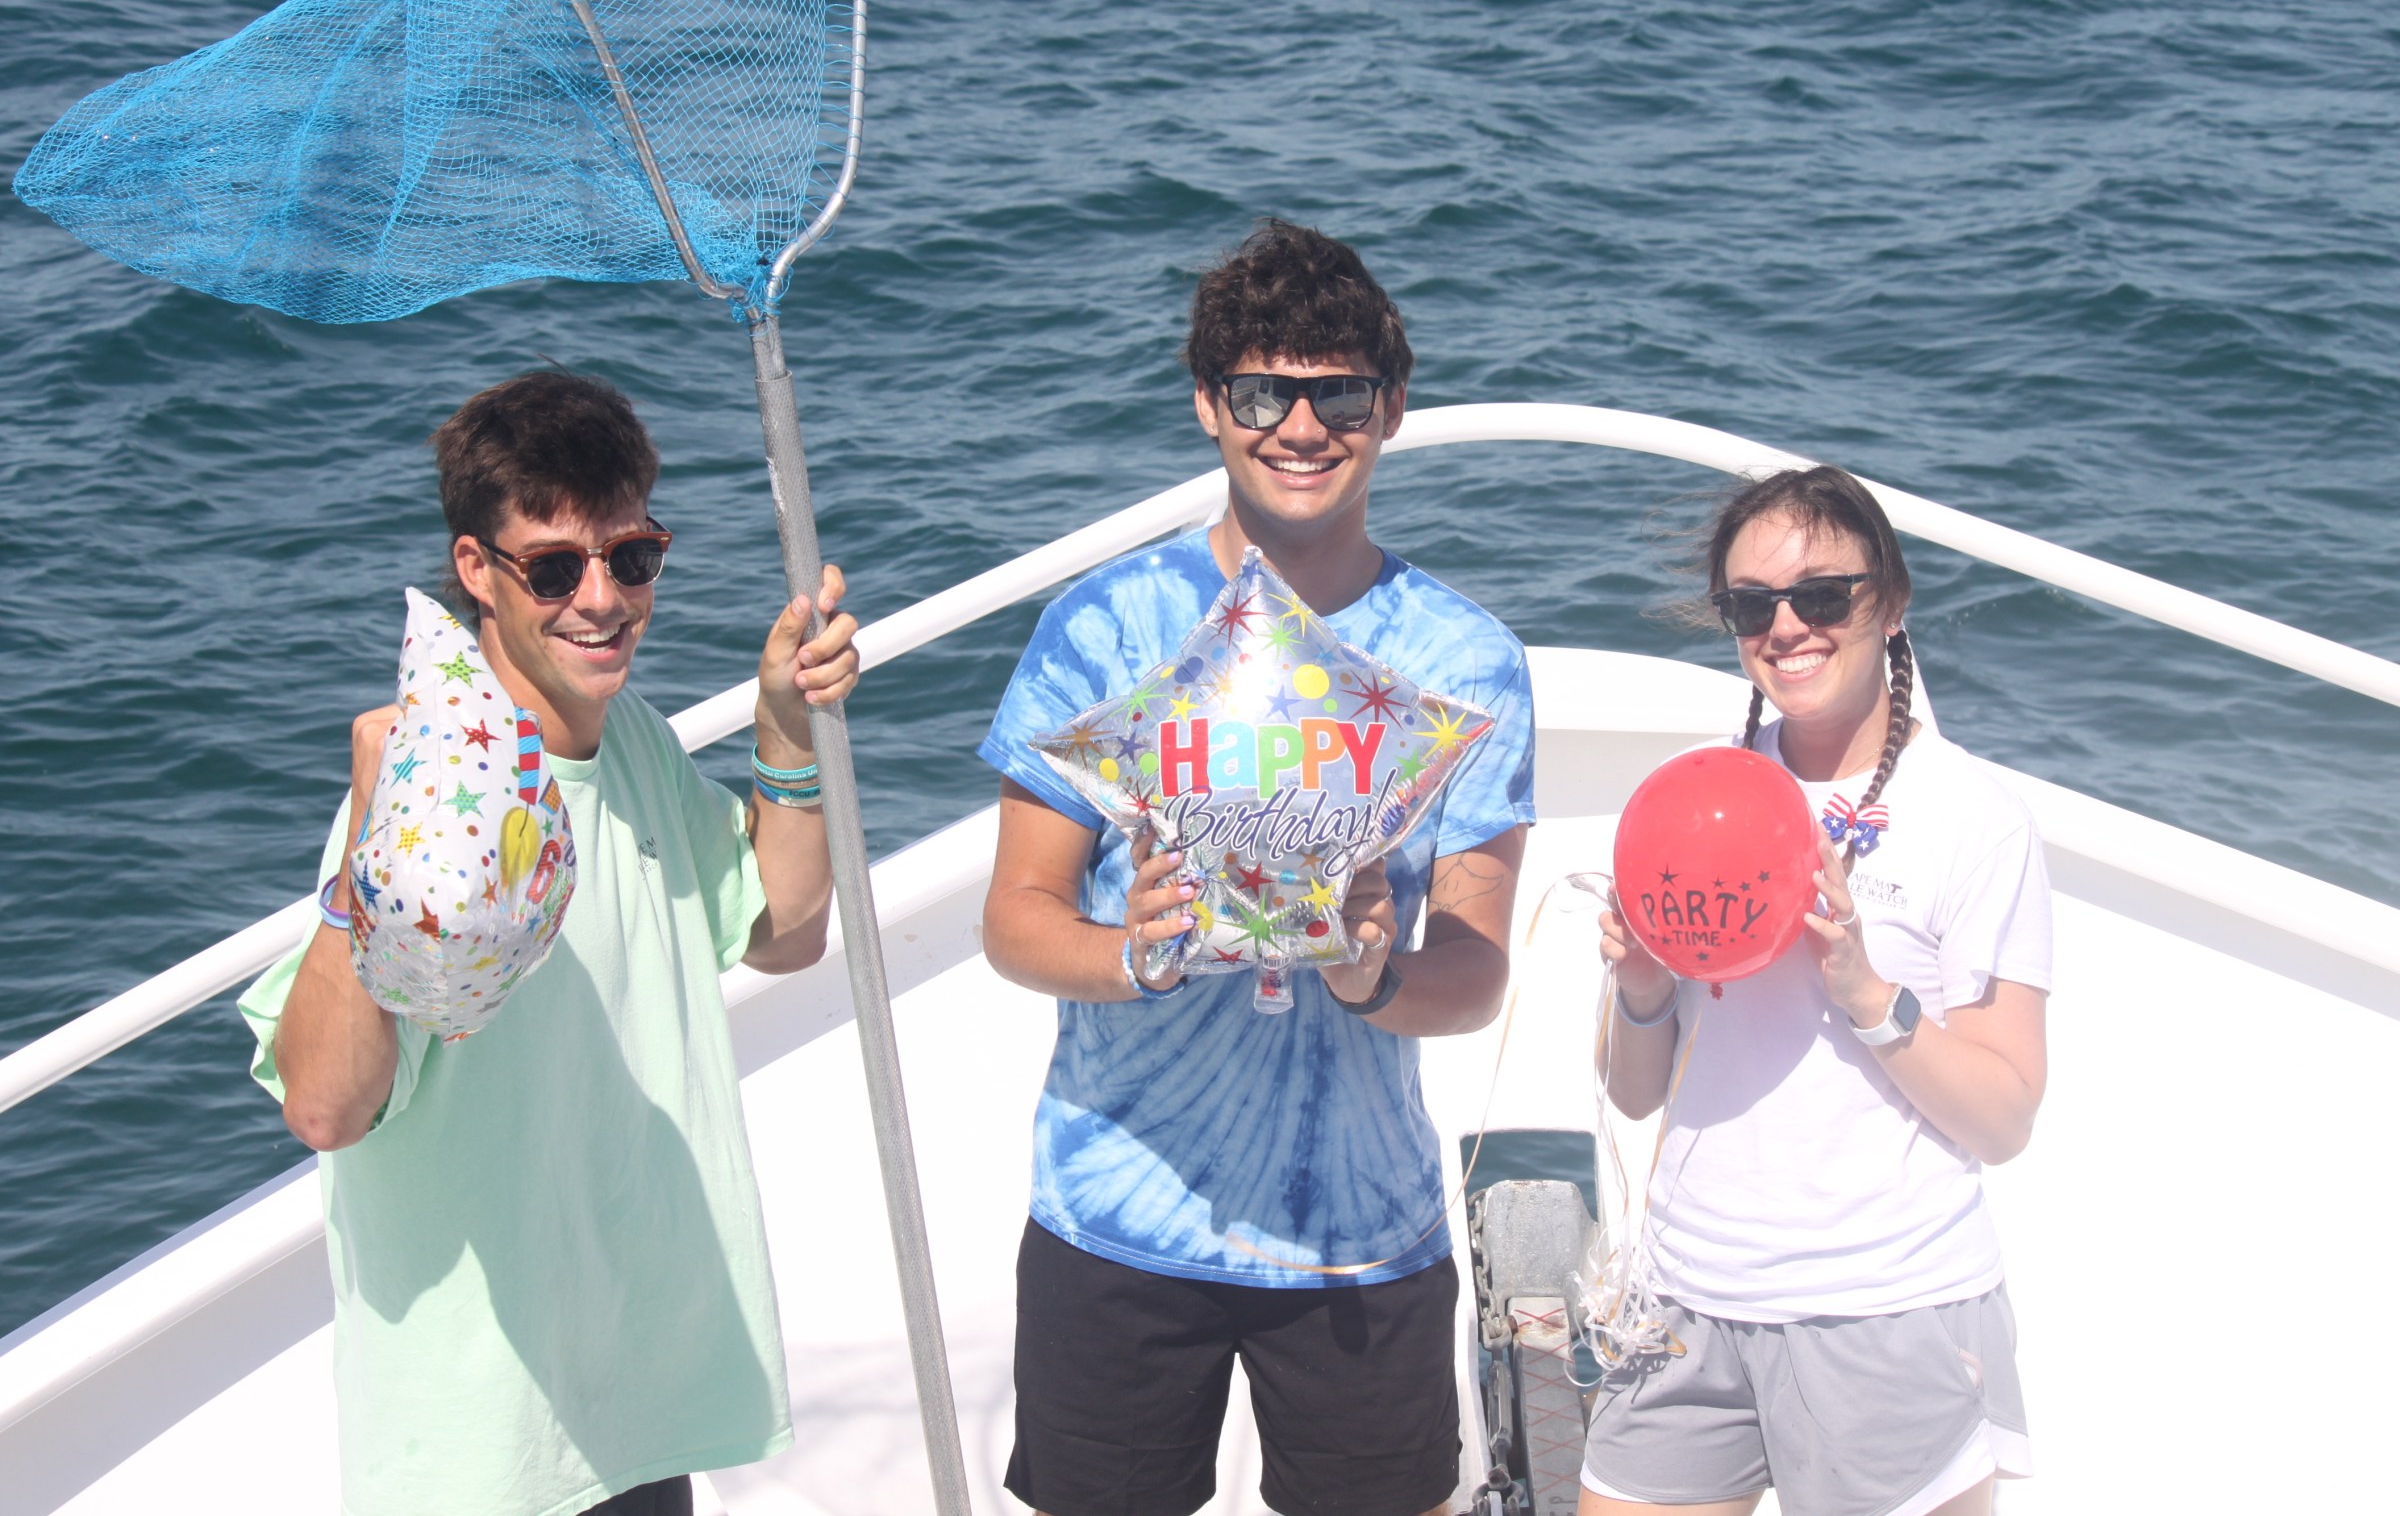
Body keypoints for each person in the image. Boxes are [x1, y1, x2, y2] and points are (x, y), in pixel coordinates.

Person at [979, 219, 1538, 1516]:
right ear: (1208, 405)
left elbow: (1476, 972)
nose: (1300, 426)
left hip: (1361, 1230)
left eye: (1338, 393)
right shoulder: (1103, 627)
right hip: (1117, 1210)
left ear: (1391, 408)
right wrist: (1135, 953)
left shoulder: (1466, 662)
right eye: (1260, 393)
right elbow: (1015, 916)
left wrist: (1370, 971)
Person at [240, 369, 860, 1516]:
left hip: (635, 1413)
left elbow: (781, 933)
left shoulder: (633, 743)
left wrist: (785, 724)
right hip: (487, 1462)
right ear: (476, 569)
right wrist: (369, 853)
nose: (602, 600)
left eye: (632, 557)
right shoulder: (432, 804)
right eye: (556, 569)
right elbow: (325, 1108)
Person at [1581, 465, 2052, 1516]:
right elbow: (1636, 1091)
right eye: (1752, 605)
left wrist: (1866, 991)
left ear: (1891, 601)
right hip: (1686, 1295)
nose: (1787, 626)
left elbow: (2006, 1117)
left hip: (1886, 1307)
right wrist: (1642, 984)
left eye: (1823, 595)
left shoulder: (1976, 820)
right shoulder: (1700, 797)